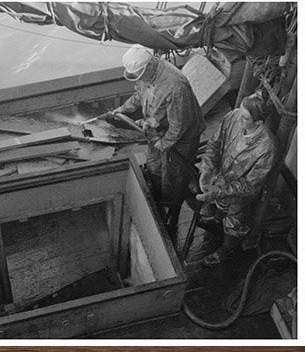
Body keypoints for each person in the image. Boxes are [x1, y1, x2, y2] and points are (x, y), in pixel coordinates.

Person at [103, 45, 205, 229]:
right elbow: (139, 94)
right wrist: (123, 109)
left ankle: (172, 214)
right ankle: (159, 200)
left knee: (174, 177)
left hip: (181, 140)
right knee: (154, 166)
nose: (138, 79)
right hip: (157, 131)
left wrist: (163, 143)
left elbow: (179, 125)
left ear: (149, 65)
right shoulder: (146, 76)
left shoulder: (175, 85)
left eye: (140, 74)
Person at [197, 91, 278, 266]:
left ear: (258, 122)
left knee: (234, 223)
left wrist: (219, 192)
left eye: (245, 118)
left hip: (239, 195)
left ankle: (224, 251)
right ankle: (216, 218)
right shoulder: (234, 116)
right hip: (219, 176)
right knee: (217, 210)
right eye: (240, 113)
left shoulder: (267, 148)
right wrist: (207, 168)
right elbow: (214, 144)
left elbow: (250, 186)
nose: (238, 119)